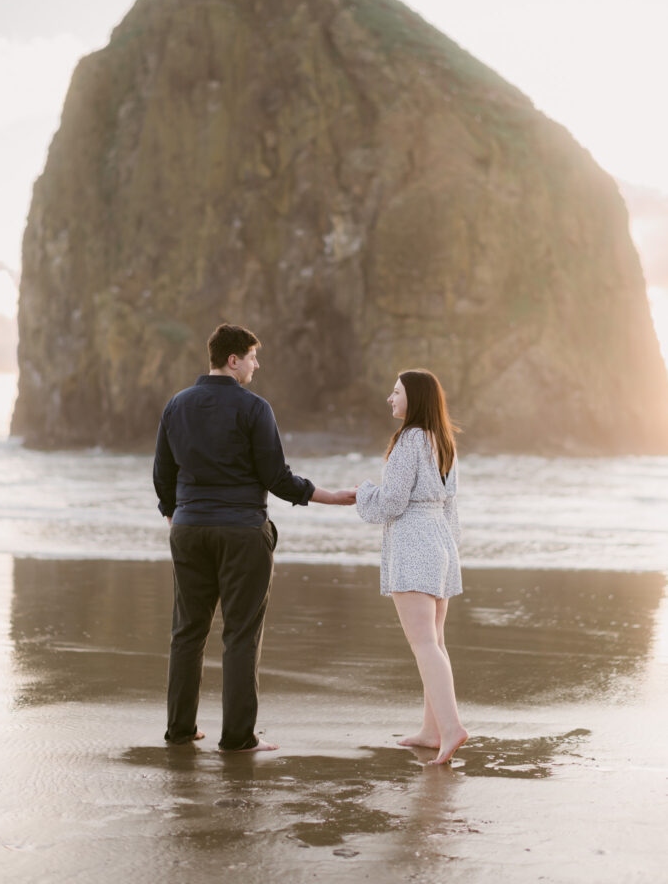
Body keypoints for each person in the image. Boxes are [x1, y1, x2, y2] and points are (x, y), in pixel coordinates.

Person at [153, 322, 356, 752]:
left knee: (187, 631)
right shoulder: (254, 408)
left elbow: (162, 474)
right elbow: (276, 477)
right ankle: (239, 739)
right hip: (242, 532)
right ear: (233, 359)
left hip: (189, 529)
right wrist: (332, 496)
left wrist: (174, 513)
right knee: (240, 634)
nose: (256, 365)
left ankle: (181, 731)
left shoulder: (176, 405)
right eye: (252, 357)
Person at [355, 369, 468, 766]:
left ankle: (451, 728)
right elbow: (451, 507)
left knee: (424, 644)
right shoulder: (443, 441)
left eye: (397, 391)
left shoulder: (410, 439)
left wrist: (363, 492)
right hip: (441, 545)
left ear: (414, 398)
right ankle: (432, 730)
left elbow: (391, 503)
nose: (390, 397)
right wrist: (449, 553)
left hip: (414, 543)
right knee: (434, 642)